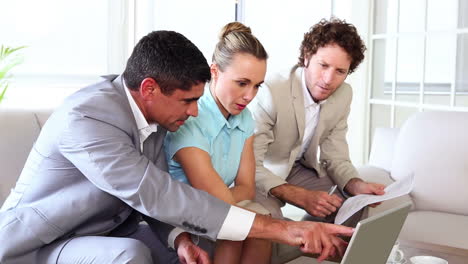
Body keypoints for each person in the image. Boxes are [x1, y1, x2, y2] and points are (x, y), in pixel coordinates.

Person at [0, 30, 353, 264]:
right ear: (150, 88)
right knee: (130, 254)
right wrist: (286, 228)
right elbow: (156, 193)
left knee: (190, 251)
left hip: (106, 228)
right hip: (44, 243)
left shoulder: (154, 121)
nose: (195, 112)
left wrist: (180, 240)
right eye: (187, 101)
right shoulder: (88, 118)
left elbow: (150, 205)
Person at [249, 18, 386, 223]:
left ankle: (312, 240)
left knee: (351, 206)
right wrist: (300, 196)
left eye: (340, 71)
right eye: (323, 65)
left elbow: (336, 156)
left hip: (297, 168)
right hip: (261, 172)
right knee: (270, 222)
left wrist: (355, 184)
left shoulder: (343, 94)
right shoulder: (270, 91)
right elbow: (250, 165)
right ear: (306, 57)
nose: (329, 80)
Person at [164, 22, 270, 264]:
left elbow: (246, 187)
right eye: (242, 83)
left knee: (256, 228)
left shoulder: (244, 118)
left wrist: (233, 203)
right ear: (215, 72)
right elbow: (217, 200)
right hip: (182, 218)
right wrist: (235, 206)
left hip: (216, 209)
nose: (250, 96)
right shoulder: (190, 116)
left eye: (257, 86)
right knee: (239, 229)